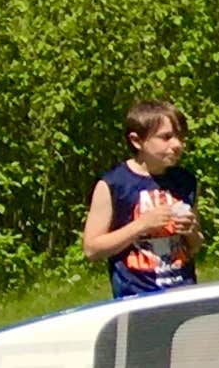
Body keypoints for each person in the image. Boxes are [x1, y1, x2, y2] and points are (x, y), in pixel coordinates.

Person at [84, 100, 200, 298]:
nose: (177, 144)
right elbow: (92, 249)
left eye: (180, 136)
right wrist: (142, 225)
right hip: (136, 297)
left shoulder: (185, 181)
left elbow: (195, 245)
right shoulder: (114, 184)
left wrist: (190, 232)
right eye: (166, 137)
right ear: (137, 141)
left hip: (184, 292)